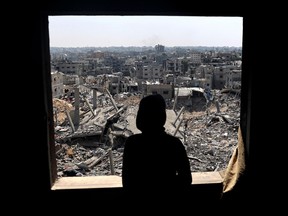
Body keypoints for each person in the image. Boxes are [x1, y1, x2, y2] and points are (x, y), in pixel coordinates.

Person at [122, 93, 192, 201]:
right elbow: (186, 179)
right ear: (162, 117)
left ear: (140, 117)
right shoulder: (174, 144)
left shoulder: (132, 144)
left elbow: (127, 182)